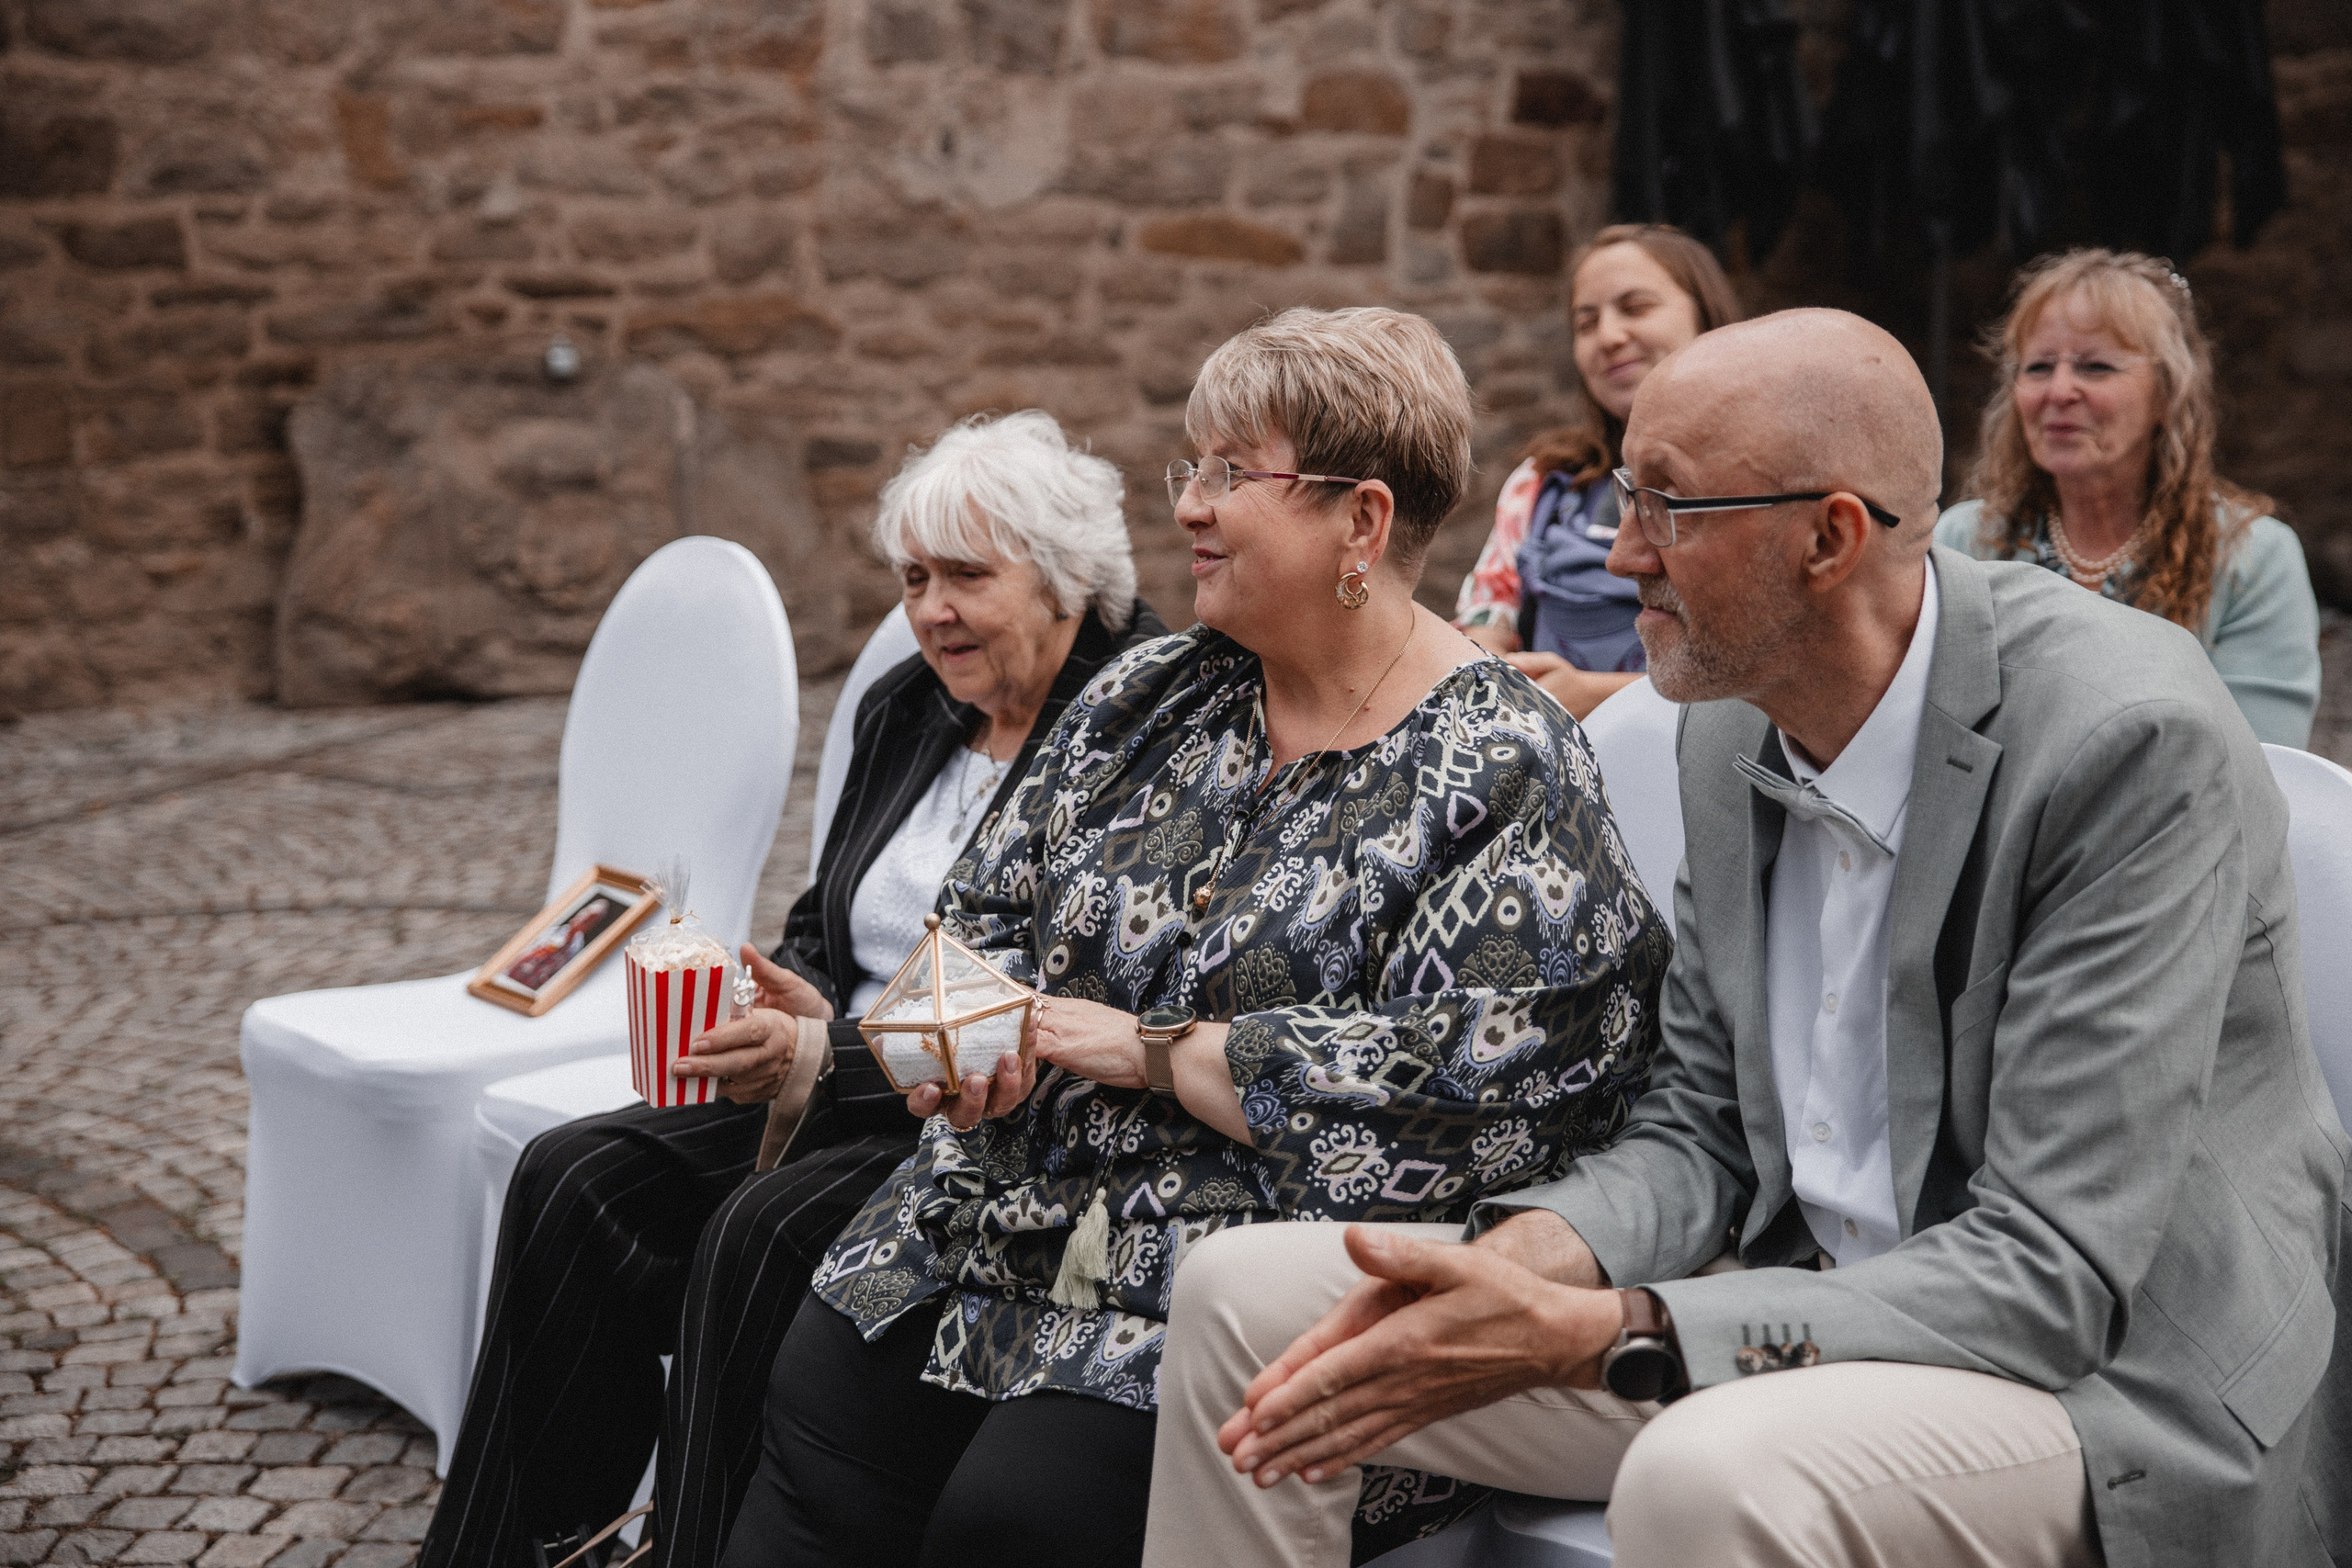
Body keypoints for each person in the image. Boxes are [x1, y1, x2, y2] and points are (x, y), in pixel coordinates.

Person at [1143, 310, 2352, 1568]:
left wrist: (1604, 1323)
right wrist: (1516, 1267)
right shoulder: (1726, 718)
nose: (1620, 557)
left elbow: (2047, 1271)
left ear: (1828, 536)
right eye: (1625, 496)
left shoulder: (2128, 742)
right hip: (1783, 1303)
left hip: (2105, 1377)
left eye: (1668, 508)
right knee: (1251, 1304)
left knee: (1708, 1473)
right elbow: (1703, 1127)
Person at [716, 307, 1675, 1568]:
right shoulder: (1148, 693)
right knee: (819, 1401)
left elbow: (1480, 1097)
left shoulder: (1500, 766)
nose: (1191, 507)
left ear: (1362, 523)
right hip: (993, 1216)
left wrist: (1157, 1049)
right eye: (1194, 466)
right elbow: (973, 920)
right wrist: (950, 1033)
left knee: (1017, 1515)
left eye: (1232, 472)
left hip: (1229, 1284)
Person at [420, 411, 1166, 1568]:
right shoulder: (909, 706)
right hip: (821, 1076)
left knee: (756, 1234)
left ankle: (694, 1550)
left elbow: (1047, 993)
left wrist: (838, 1052)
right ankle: (526, 1546)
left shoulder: (1134, 726)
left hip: (976, 1115)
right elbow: (830, 918)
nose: (930, 612)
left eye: (967, 577)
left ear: (1069, 577)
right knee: (573, 1177)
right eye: (914, 579)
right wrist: (793, 993)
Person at [1938, 248, 2321, 746]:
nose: (2059, 391)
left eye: (2095, 366)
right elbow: (1938, 731)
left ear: (2167, 394)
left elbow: (2260, 764)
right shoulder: (1967, 542)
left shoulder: (2252, 558)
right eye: (2037, 367)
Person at [1454, 222, 1742, 719]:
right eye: (1586, 323)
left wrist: (1600, 696)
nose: (1609, 336)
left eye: (1635, 308)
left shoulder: (1759, 481)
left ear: (1706, 317)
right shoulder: (1542, 482)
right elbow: (1485, 625)